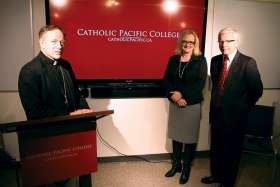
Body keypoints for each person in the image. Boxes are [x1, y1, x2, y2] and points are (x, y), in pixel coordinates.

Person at [18, 25, 93, 186]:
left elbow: (77, 94)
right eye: (54, 42)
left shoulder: (66, 66)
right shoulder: (29, 71)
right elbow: (34, 112)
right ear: (42, 43)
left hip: (74, 133)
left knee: (80, 173)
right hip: (48, 141)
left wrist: (86, 112)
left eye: (62, 42)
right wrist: (69, 115)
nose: (59, 46)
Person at [201, 27, 263, 187]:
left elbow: (256, 91)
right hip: (216, 113)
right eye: (221, 41)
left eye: (229, 40)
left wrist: (243, 108)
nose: (224, 44)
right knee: (216, 147)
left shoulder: (248, 62)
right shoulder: (215, 61)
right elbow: (217, 86)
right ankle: (216, 175)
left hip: (236, 117)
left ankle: (227, 182)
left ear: (237, 41)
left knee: (232, 151)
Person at [163, 29, 207, 184]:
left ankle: (186, 168)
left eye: (191, 42)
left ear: (195, 44)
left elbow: (200, 83)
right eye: (185, 41)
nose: (188, 44)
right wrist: (173, 95)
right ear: (180, 42)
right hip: (176, 103)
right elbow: (166, 80)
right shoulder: (173, 59)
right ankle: (176, 165)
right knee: (176, 136)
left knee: (188, 139)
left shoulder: (200, 60)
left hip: (191, 104)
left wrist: (182, 96)